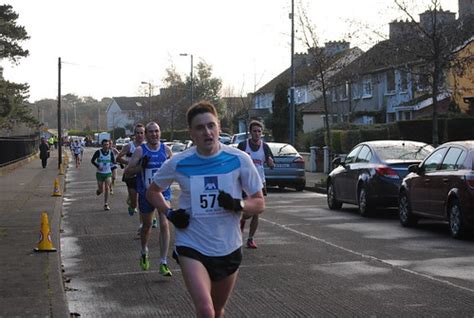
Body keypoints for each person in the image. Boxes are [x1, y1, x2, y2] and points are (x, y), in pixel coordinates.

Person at [146, 101, 265, 317]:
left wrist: (238, 204)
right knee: (206, 309)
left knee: (217, 310)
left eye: (211, 126)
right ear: (191, 133)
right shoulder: (179, 162)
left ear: (219, 127)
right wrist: (170, 213)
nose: (207, 132)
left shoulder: (239, 159)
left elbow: (259, 202)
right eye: (200, 128)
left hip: (227, 245)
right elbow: (153, 192)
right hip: (191, 243)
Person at [124, 122, 172, 276]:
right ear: (146, 134)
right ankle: (144, 250)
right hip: (146, 194)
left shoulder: (166, 150)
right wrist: (140, 167)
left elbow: (175, 169)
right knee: (147, 226)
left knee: (165, 224)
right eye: (150, 132)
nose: (154, 134)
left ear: (160, 132)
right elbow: (127, 172)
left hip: (163, 193)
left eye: (156, 131)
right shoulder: (140, 150)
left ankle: (163, 262)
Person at [237, 120, 275, 249]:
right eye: (254, 131)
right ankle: (240, 224)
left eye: (259, 131)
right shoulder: (243, 145)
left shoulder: (264, 147)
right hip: (244, 183)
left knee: (256, 211)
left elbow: (271, 163)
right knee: (246, 210)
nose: (257, 133)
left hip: (259, 182)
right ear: (250, 132)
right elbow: (235, 162)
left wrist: (270, 162)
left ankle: (251, 239)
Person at [116, 124, 145, 216]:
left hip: (143, 175)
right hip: (131, 175)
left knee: (147, 199)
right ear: (134, 134)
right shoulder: (129, 146)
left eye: (142, 133)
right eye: (137, 133)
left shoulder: (147, 146)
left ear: (144, 134)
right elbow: (118, 158)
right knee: (134, 202)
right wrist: (129, 163)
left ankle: (152, 218)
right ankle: (132, 205)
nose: (140, 135)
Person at [91, 139, 116, 211]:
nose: (106, 146)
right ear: (102, 145)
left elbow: (114, 161)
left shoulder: (110, 153)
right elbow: (92, 161)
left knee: (107, 188)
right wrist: (97, 166)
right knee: (101, 190)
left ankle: (106, 204)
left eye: (107, 145)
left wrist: (119, 162)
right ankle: (99, 190)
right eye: (104, 145)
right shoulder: (98, 152)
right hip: (99, 174)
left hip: (108, 173)